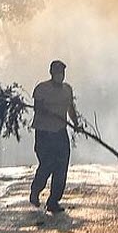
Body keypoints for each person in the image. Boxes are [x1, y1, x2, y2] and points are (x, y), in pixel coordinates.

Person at [29, 60, 79, 213]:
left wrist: (76, 124)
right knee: (47, 164)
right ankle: (36, 191)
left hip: (60, 132)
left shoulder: (67, 90)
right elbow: (38, 108)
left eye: (62, 73)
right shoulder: (42, 89)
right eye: (57, 73)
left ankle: (53, 201)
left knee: (61, 167)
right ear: (51, 73)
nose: (60, 76)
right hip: (44, 133)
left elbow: (71, 108)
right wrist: (48, 112)